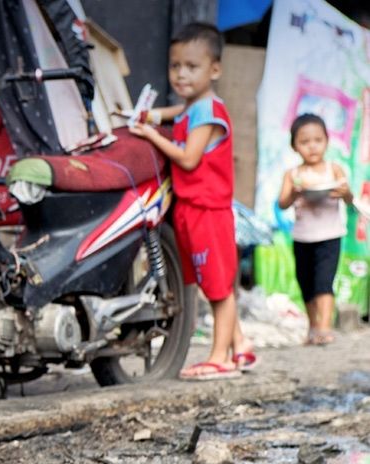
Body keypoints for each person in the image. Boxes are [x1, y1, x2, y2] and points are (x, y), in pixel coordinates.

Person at [130, 22, 256, 380]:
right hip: (192, 209)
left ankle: (220, 358)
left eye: (192, 66)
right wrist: (154, 115)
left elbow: (188, 158)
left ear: (215, 69)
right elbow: (177, 113)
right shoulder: (193, 106)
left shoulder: (209, 112)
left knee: (218, 289)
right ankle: (240, 345)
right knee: (209, 280)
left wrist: (151, 134)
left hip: (208, 210)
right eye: (175, 66)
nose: (181, 74)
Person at [277, 113, 352, 345]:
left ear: (326, 141)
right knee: (306, 282)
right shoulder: (293, 175)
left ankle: (325, 327)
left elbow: (349, 198)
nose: (312, 147)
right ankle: (312, 327)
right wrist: (295, 192)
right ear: (294, 146)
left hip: (330, 236)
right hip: (303, 237)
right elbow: (282, 203)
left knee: (324, 281)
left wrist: (344, 193)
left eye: (317, 140)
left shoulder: (334, 169)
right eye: (305, 141)